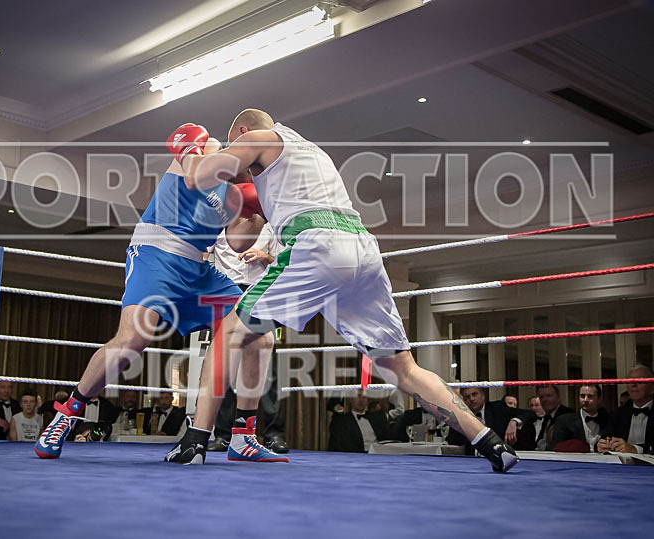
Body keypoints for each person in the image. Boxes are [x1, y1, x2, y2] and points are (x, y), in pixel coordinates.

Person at [164, 110, 518, 472]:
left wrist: (188, 150)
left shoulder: (260, 139)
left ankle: (195, 440)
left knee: (231, 333)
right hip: (362, 250)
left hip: (317, 245)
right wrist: (250, 208)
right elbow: (240, 242)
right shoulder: (310, 154)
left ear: (243, 131)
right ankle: (489, 442)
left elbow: (197, 178)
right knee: (402, 369)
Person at [35, 137, 280, 464]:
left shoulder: (236, 196)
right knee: (133, 338)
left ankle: (243, 435)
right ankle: (66, 414)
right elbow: (194, 177)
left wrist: (261, 212)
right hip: (156, 253)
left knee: (260, 336)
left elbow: (238, 243)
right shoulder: (204, 144)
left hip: (199, 270)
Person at [206, 221, 289, 454]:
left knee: (267, 367)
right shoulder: (218, 226)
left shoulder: (271, 226)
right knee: (224, 366)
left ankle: (273, 434)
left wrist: (265, 256)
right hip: (225, 295)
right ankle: (222, 435)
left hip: (259, 293)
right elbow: (202, 254)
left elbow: (283, 262)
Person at [445, 387, 531, 452]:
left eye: (474, 394)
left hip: (501, 455)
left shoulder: (498, 408)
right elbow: (452, 440)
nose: (471, 399)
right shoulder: (462, 417)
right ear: (463, 400)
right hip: (472, 461)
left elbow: (529, 413)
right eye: (467, 397)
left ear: (483, 396)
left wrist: (514, 422)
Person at [597, 365, 653, 454]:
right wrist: (601, 444)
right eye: (630, 381)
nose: (633, 385)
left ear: (652, 388)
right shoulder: (618, 413)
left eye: (640, 381)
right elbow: (606, 437)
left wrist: (636, 449)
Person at [550, 385, 610, 452]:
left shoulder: (609, 420)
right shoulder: (564, 421)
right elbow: (556, 448)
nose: (585, 400)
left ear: (599, 399)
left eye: (590, 396)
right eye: (582, 396)